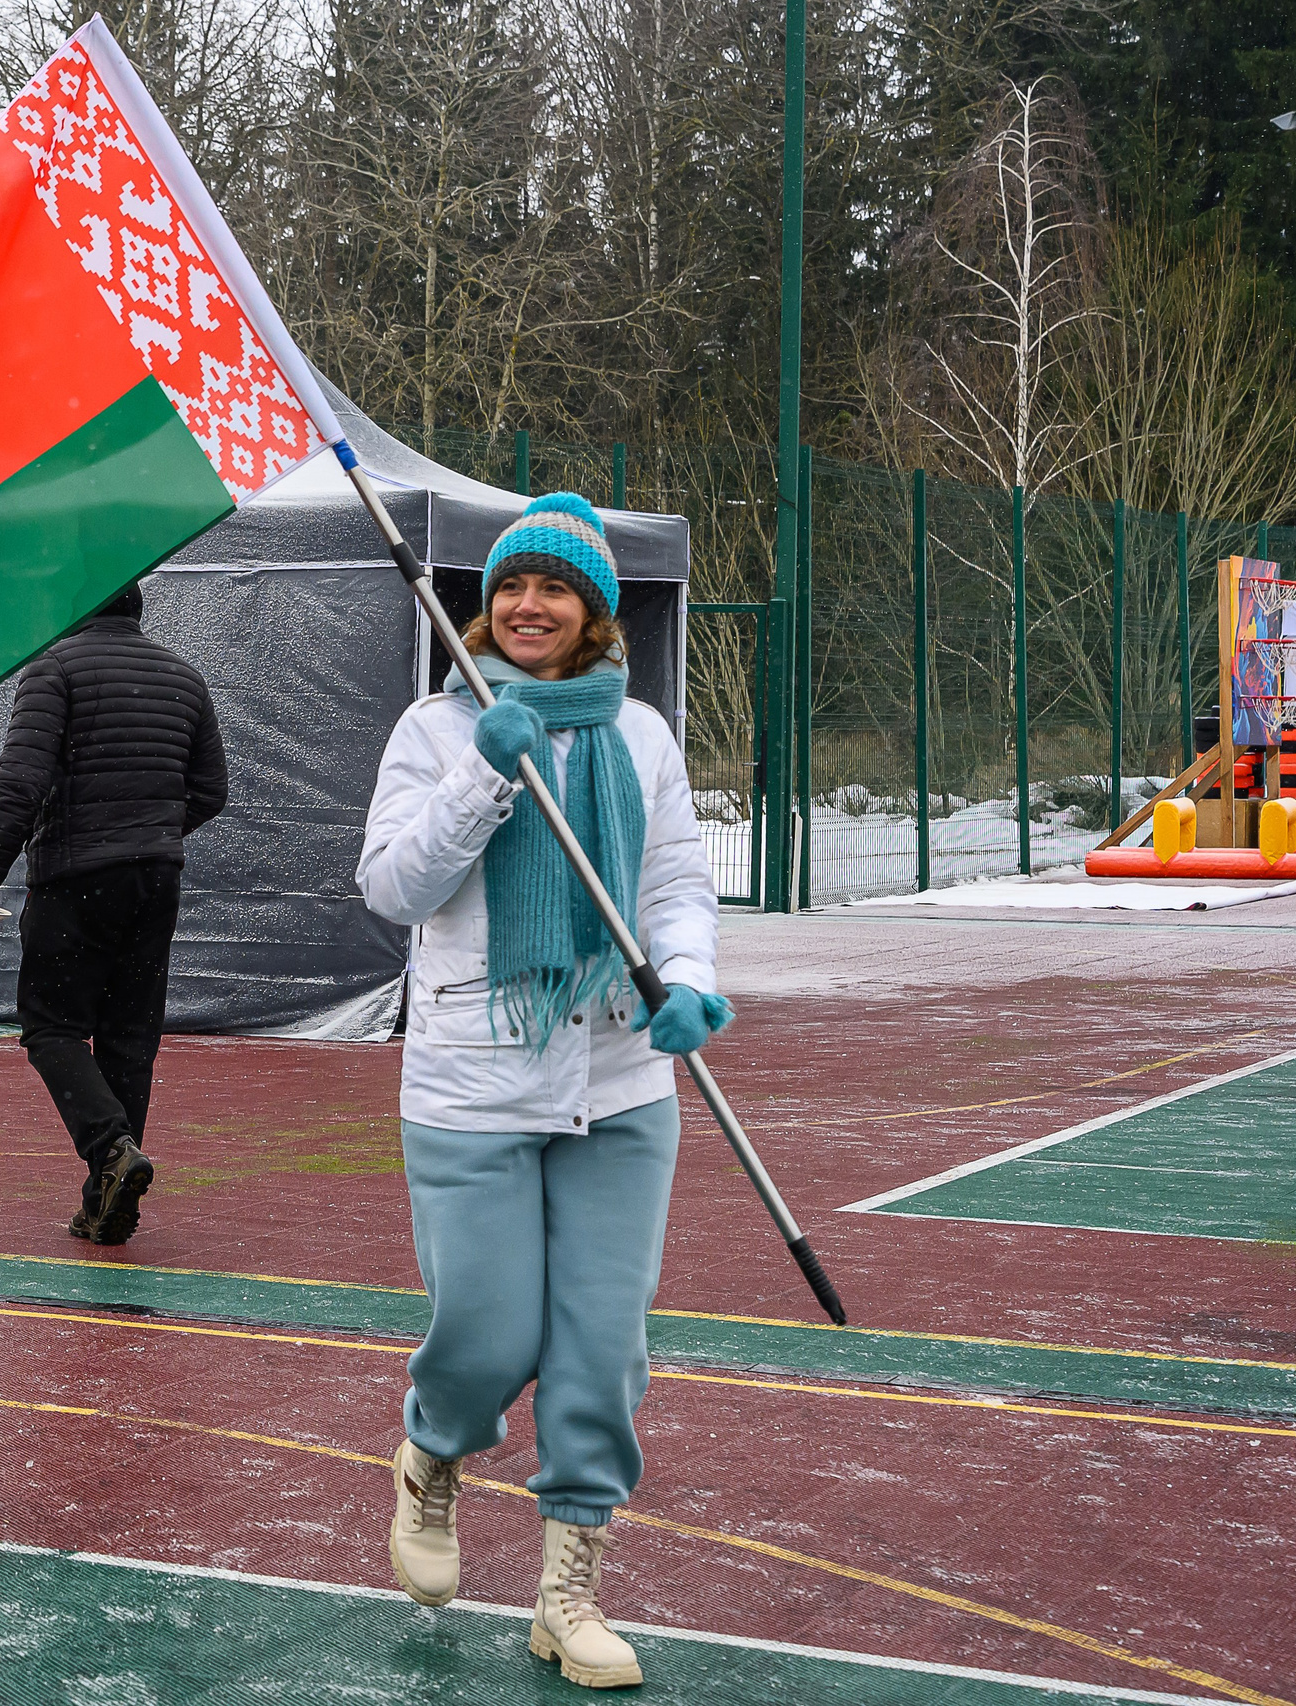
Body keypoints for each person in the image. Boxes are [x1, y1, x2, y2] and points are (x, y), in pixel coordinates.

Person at [355, 494, 721, 1691]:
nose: (529, 606)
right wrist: (479, 773)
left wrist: (691, 983)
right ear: (485, 599)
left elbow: (673, 887)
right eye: (513, 586)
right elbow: (394, 889)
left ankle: (569, 1593)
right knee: (488, 1331)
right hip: (472, 1083)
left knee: (601, 1350)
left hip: (621, 1080)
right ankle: (431, 1452)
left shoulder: (644, 736)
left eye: (556, 590)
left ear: (594, 613)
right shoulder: (432, 726)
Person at [0, 580, 227, 1246]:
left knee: (51, 1027)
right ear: (134, 610)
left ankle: (109, 1149)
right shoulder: (184, 677)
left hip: (74, 880)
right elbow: (211, 791)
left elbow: (20, 783)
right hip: (156, 878)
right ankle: (104, 1203)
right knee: (130, 1040)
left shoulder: (54, 668)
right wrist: (151, 831)